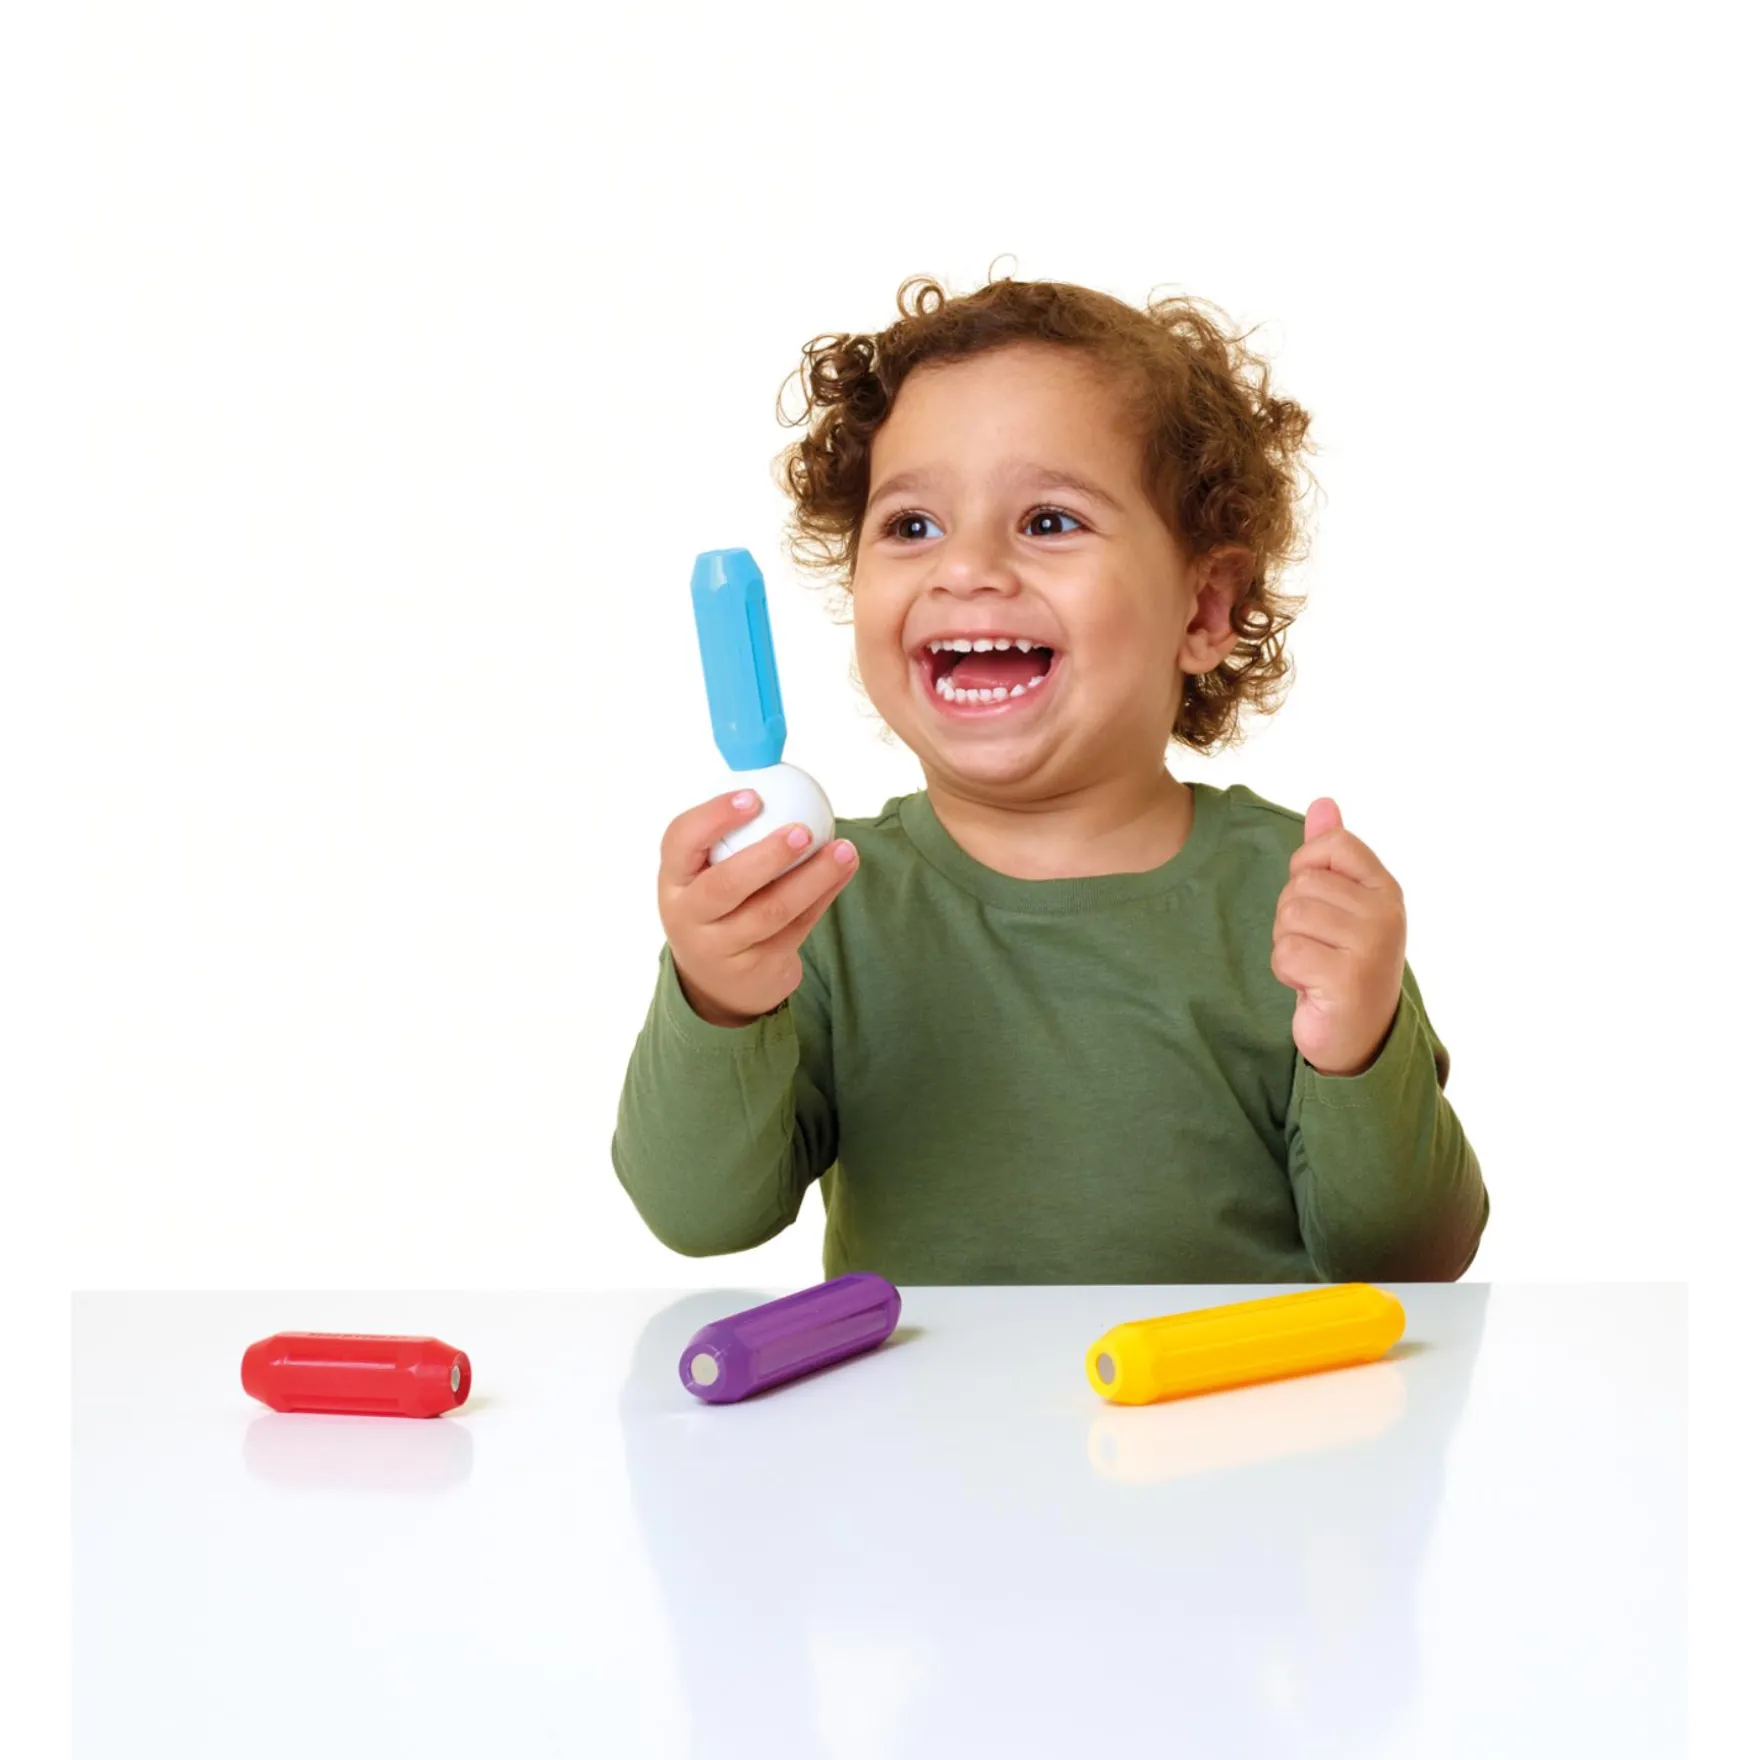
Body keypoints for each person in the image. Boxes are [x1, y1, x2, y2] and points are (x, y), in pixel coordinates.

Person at [612, 273, 1488, 1283]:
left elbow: (1416, 1258)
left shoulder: (1295, 895)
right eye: (911, 526)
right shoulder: (822, 903)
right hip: (926, 1397)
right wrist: (720, 999)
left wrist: (1358, 1046)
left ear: (1204, 608)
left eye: (1049, 521)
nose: (966, 569)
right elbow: (699, 1215)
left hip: (1230, 1390)